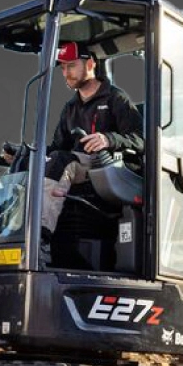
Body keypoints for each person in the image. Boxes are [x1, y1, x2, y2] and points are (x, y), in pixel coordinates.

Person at [44, 41, 143, 270]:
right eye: (62, 68)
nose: (65, 73)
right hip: (77, 166)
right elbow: (58, 147)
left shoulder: (116, 99)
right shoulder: (70, 108)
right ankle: (17, 233)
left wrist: (108, 140)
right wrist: (24, 154)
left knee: (62, 162)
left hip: (108, 167)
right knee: (38, 161)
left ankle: (40, 237)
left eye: (71, 66)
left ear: (90, 63)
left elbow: (141, 139)